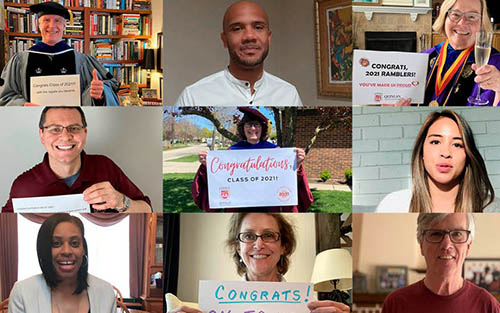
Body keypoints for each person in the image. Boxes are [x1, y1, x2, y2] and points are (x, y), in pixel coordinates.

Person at [169, 213, 351, 313]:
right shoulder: (213, 307)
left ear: (283, 247)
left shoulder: (310, 307)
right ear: (238, 248)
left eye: (269, 235)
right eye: (248, 236)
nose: (259, 244)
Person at [2, 106, 151, 212]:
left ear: (85, 133)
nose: (66, 137)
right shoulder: (23, 186)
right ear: (42, 135)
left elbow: (147, 209)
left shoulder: (105, 166)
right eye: (55, 129)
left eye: (74, 128)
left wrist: (121, 201)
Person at [174, 1, 302, 107]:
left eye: (258, 27)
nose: (249, 36)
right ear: (224, 39)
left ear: (268, 37)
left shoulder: (288, 94)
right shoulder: (194, 96)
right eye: (237, 29)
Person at [191, 107, 313, 211]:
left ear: (263, 128)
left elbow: (287, 180)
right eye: (249, 124)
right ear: (243, 128)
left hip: (269, 206)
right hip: (239, 207)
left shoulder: (275, 151)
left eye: (256, 125)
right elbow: (219, 180)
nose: (253, 128)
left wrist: (297, 164)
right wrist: (207, 165)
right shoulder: (232, 152)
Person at [376, 110, 499, 212]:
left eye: (457, 145)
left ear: (468, 155)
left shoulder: (493, 208)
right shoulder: (393, 205)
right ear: (421, 152)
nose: (445, 153)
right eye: (435, 142)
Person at [0, 2, 120, 106]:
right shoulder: (20, 61)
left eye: (57, 21)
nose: (52, 26)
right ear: (39, 25)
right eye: (46, 20)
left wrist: (100, 94)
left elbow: (112, 85)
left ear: (64, 26)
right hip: (32, 124)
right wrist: (23, 105)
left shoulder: (82, 61)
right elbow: (5, 96)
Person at [382, 213, 500, 313]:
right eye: (436, 234)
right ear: (421, 245)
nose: (446, 245)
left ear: (468, 247)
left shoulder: (487, 306)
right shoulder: (395, 304)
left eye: (457, 234)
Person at [393, 0, 500, 106]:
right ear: (444, 18)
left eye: (472, 16)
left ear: (481, 24)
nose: (462, 23)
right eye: (455, 14)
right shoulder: (424, 57)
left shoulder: (494, 65)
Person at [8, 213, 116, 313]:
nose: (66, 251)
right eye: (56, 243)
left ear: (83, 249)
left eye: (74, 243)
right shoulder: (22, 293)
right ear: (45, 250)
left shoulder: (106, 291)